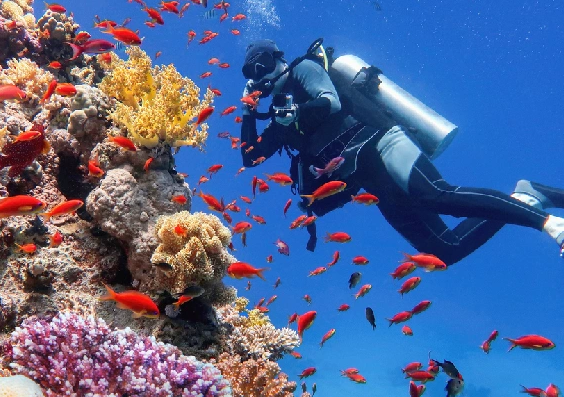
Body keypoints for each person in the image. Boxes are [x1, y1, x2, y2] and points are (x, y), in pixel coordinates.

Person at [239, 39, 564, 264]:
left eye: (262, 64)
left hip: (379, 143)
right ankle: (526, 198)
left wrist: (297, 111)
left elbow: (330, 101)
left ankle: (549, 223)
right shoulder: (280, 121)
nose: (260, 74)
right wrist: (249, 112)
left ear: (277, 58)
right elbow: (250, 157)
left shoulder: (303, 69)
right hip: (365, 179)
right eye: (251, 72)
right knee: (443, 251)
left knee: (437, 195)